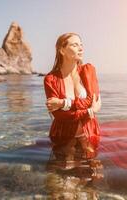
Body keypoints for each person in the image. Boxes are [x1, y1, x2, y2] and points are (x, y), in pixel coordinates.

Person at [43, 32, 101, 169]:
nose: (81, 48)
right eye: (75, 45)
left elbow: (91, 100)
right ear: (62, 50)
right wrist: (89, 112)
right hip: (63, 136)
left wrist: (63, 103)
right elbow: (58, 115)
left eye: (81, 45)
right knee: (61, 177)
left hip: (89, 133)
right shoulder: (50, 79)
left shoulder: (88, 70)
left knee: (93, 175)